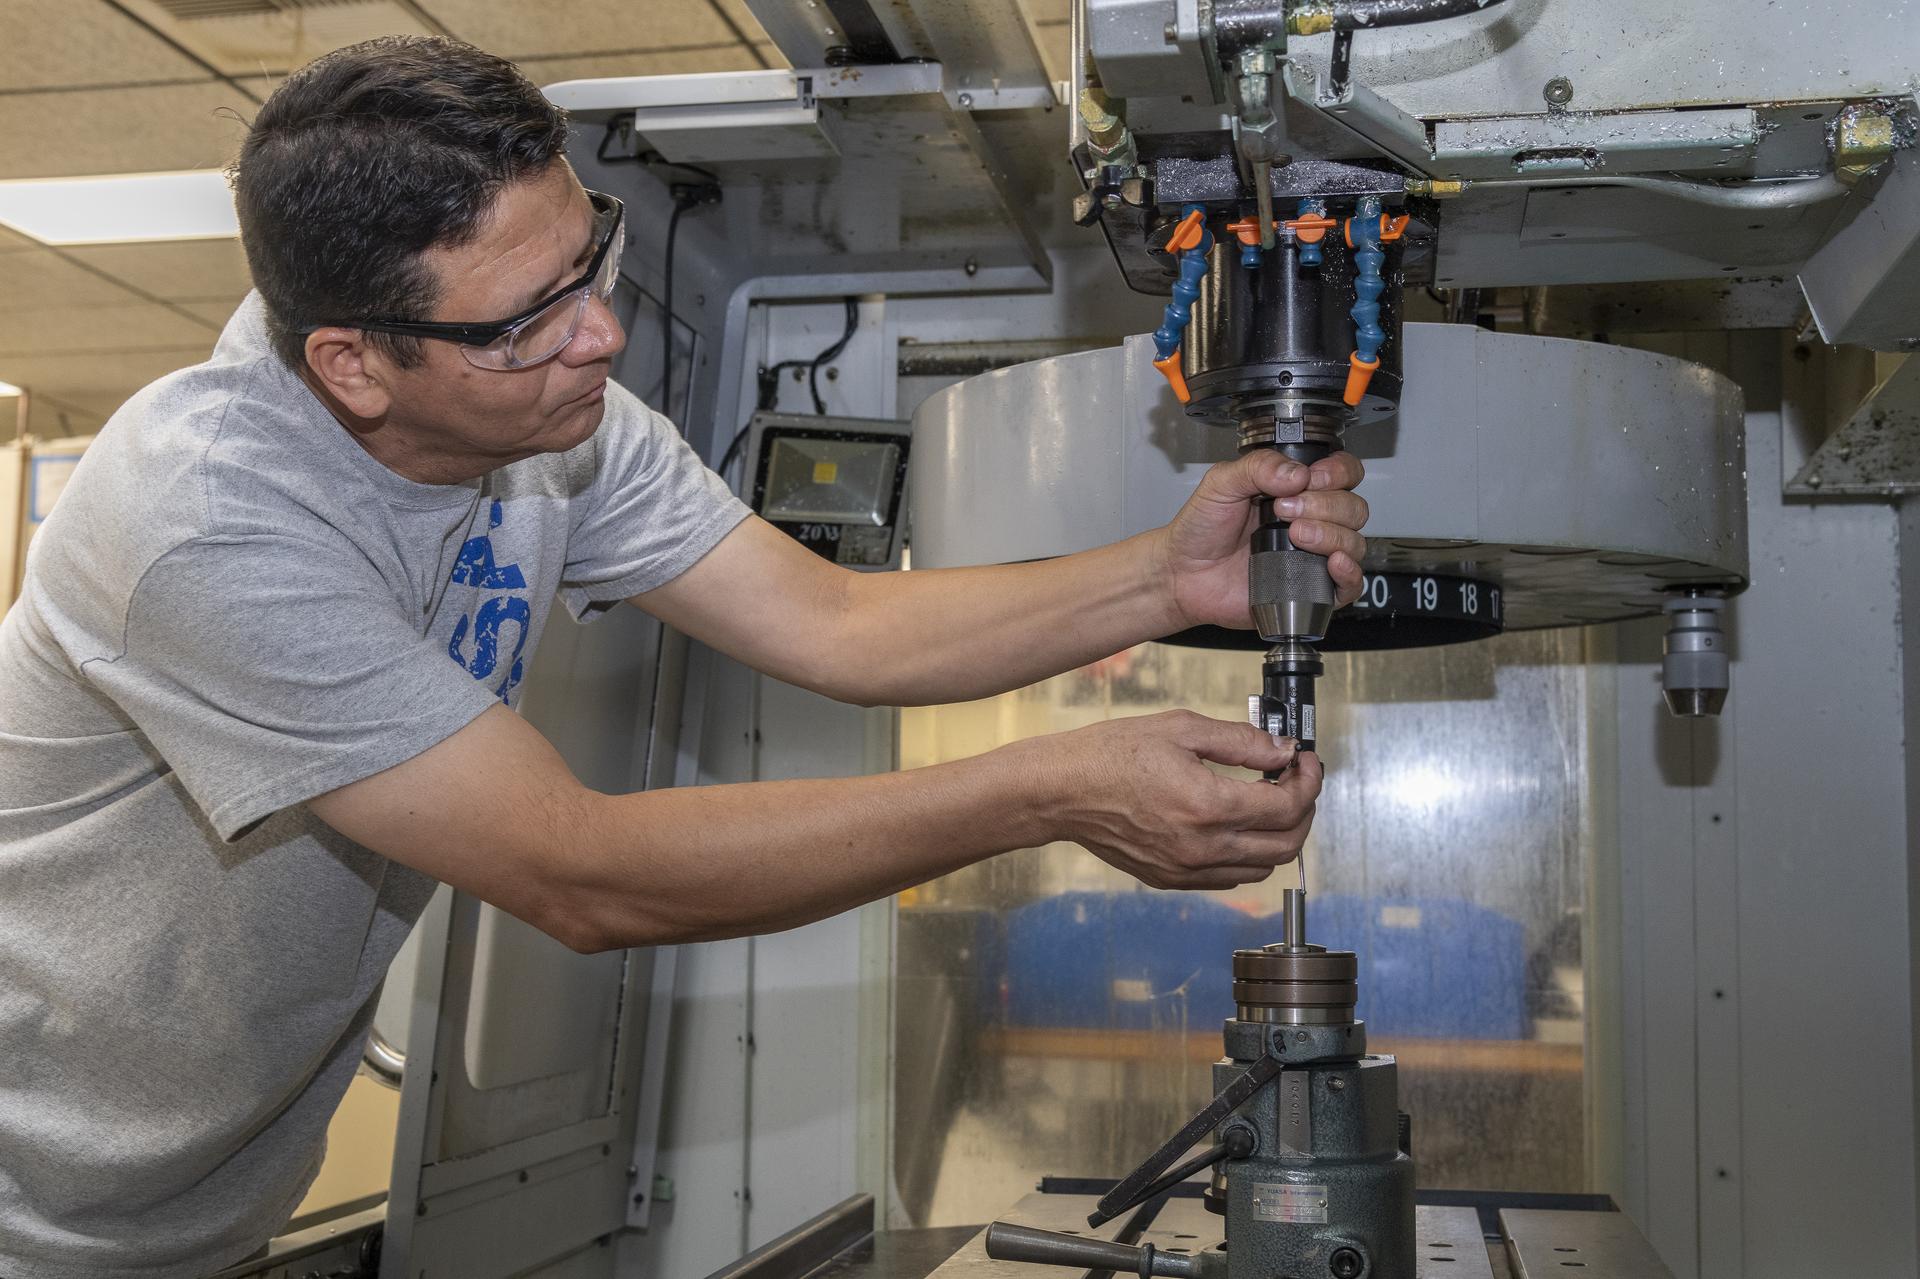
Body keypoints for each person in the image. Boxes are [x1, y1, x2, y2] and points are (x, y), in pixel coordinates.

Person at [0, 35, 1367, 1279]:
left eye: (586, 259)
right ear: (354, 365)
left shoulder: (552, 425)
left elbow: (834, 622)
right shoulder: (211, 525)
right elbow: (578, 870)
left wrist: (1163, 580)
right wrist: (1052, 789)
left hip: (199, 1208)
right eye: (527, 320)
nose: (601, 333)